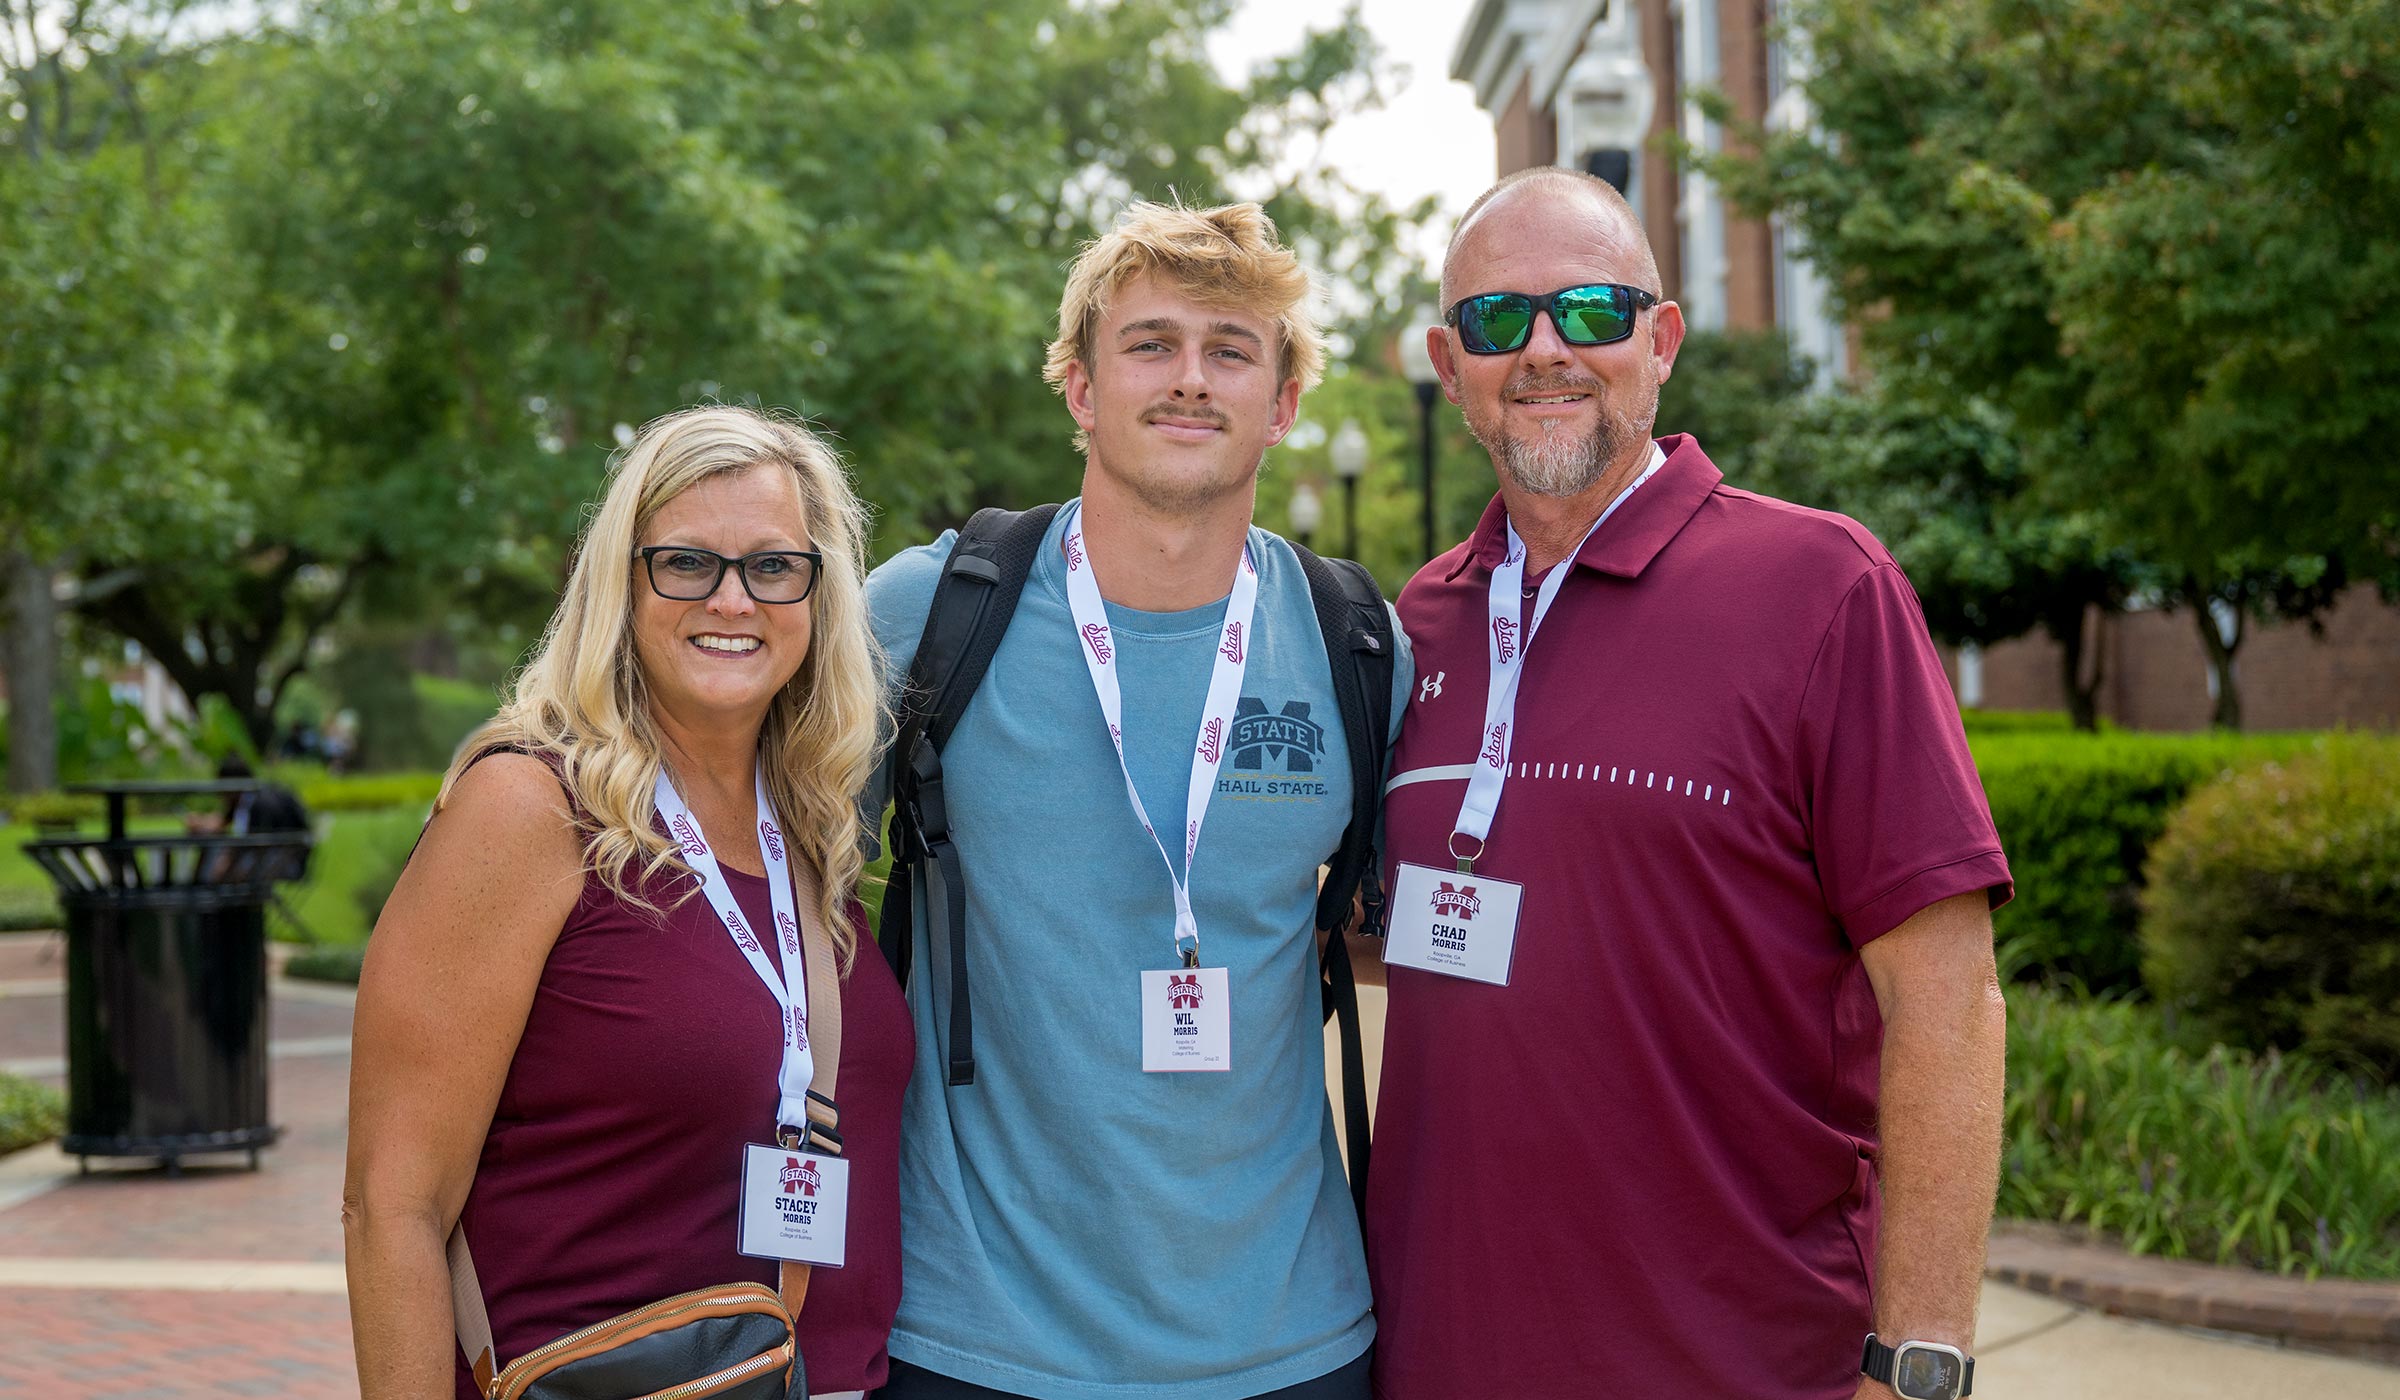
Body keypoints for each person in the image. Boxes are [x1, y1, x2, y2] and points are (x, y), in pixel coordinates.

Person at [1365, 167, 2012, 1400]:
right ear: (1451, 367)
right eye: (1498, 320)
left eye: (1590, 310)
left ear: (1660, 340)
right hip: (1442, 1354)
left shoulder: (1824, 587)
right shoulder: (1420, 621)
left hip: (1745, 1361)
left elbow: (1948, 997)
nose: (1545, 349)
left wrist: (1917, 1361)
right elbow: (1411, 926)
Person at [864, 201, 1410, 1400]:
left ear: (1284, 402)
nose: (1190, 377)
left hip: (1292, 1337)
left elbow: (1401, 932)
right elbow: (765, 891)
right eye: (1151, 343)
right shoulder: (926, 615)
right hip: (976, 1336)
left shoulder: (1361, 646)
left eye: (1231, 349)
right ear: (1080, 386)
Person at [343, 406, 913, 1400]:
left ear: (817, 596)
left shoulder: (806, 827)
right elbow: (391, 1206)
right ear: (620, 582)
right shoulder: (528, 809)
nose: (732, 598)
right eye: (686, 562)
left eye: (773, 566)